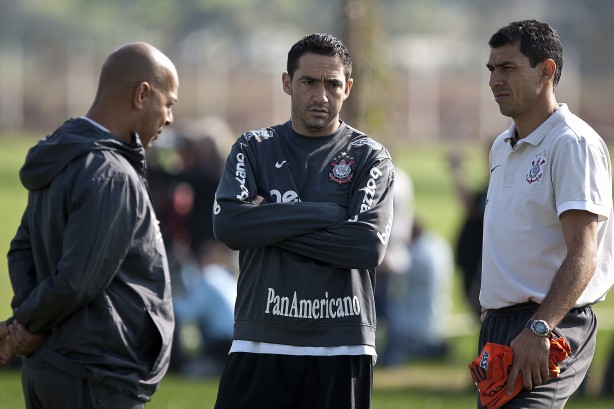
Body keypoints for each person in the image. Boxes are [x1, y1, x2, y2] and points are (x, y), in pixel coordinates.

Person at [212, 33, 394, 409]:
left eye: (332, 84)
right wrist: (329, 215)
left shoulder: (369, 157)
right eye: (308, 82)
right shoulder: (253, 147)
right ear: (286, 83)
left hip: (342, 342)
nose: (321, 96)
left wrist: (264, 223)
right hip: (261, 335)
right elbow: (228, 225)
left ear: (349, 88)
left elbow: (366, 245)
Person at [0, 42, 179, 408]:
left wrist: (26, 324)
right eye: (169, 103)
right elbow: (77, 279)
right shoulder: (111, 173)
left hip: (55, 369)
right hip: (94, 377)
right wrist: (29, 328)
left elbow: (21, 250)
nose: (170, 117)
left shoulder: (63, 157)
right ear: (142, 94)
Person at [478, 20, 614, 408]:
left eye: (508, 68)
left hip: (549, 323)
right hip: (500, 327)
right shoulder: (502, 146)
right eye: (491, 69)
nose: (494, 80)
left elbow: (584, 252)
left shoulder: (572, 143)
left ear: (547, 71)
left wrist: (539, 327)